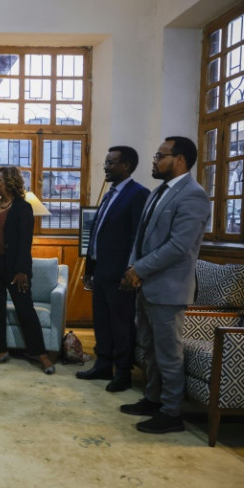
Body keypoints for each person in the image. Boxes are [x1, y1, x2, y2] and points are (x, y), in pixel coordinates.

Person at [120, 136, 210, 434]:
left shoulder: (194, 195)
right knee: (148, 347)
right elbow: (141, 237)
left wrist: (140, 269)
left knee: (168, 353)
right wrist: (134, 268)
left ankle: (171, 413)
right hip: (145, 284)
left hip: (169, 289)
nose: (155, 161)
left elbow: (179, 247)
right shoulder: (159, 192)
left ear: (180, 159)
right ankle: (152, 398)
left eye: (161, 155)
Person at [77, 146, 150, 392]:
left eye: (111, 163)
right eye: (106, 163)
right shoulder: (110, 194)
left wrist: (130, 271)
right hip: (100, 271)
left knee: (121, 324)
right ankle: (103, 365)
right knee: (102, 322)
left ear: (126, 166)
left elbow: (136, 237)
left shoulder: (138, 194)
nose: (106, 167)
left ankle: (122, 373)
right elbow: (96, 233)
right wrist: (90, 267)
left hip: (120, 274)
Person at [0, 167, 55, 374]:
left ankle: (40, 354)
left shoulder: (23, 208)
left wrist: (21, 271)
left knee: (25, 310)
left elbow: (24, 243)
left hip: (14, 269)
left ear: (10, 182)